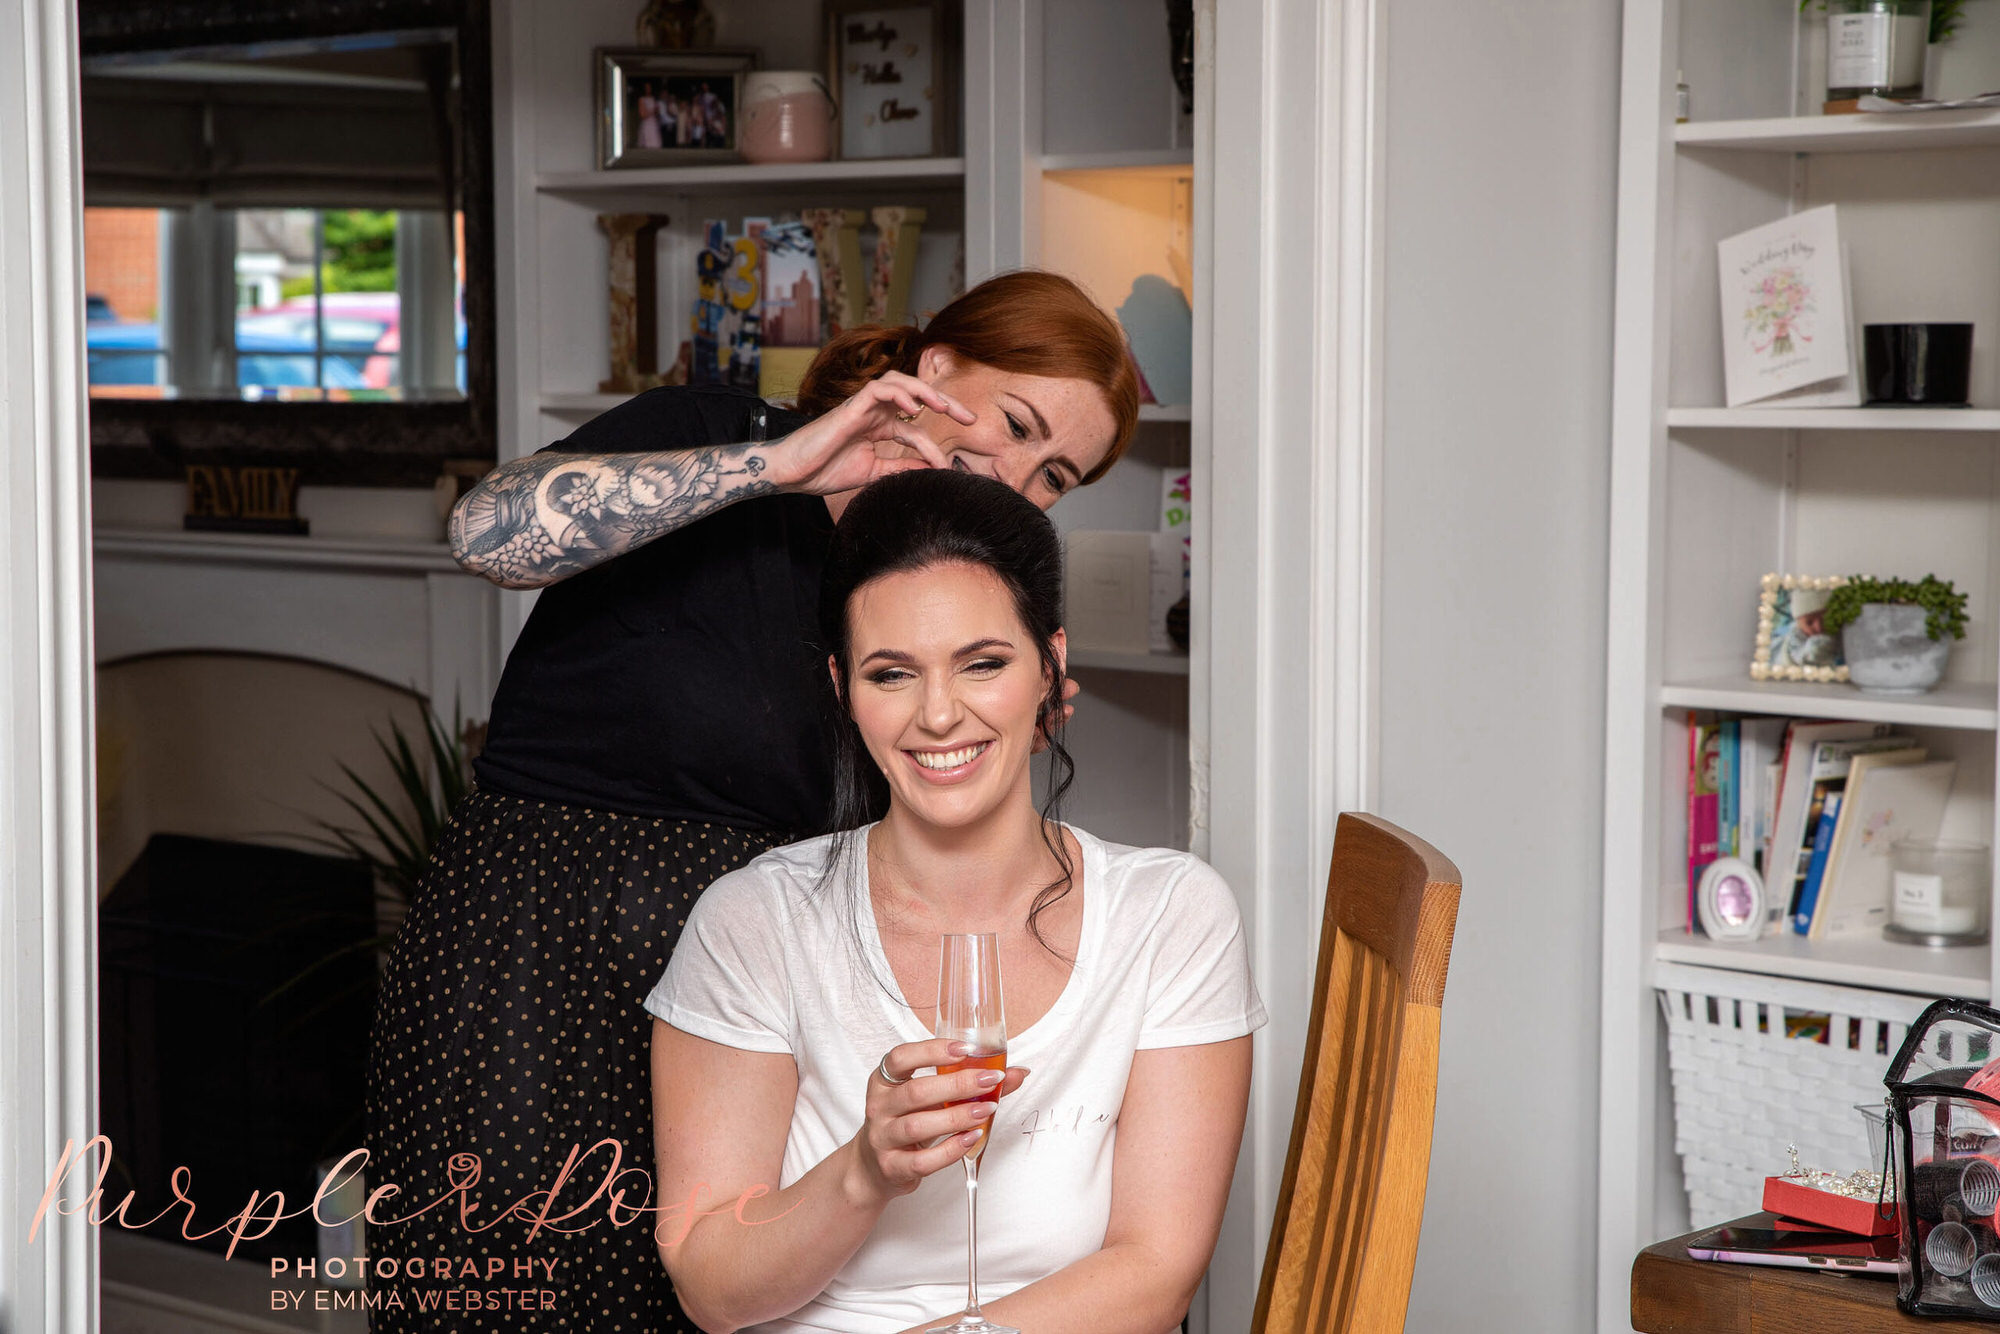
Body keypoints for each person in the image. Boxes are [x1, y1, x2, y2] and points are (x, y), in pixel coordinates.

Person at [364, 270, 1140, 1334]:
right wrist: (779, 466)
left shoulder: (932, 599)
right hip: (536, 979)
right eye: (1014, 424)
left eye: (1054, 473)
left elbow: (911, 843)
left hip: (752, 1033)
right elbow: (485, 534)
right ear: (939, 364)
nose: (1015, 475)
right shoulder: (717, 433)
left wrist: (993, 733)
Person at [647, 469, 1264, 1334]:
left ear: (1051, 667)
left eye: (983, 664)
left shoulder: (1171, 916)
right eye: (892, 674)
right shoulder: (753, 921)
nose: (939, 715)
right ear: (841, 689)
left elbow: (1156, 1273)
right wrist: (865, 1171)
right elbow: (711, 1288)